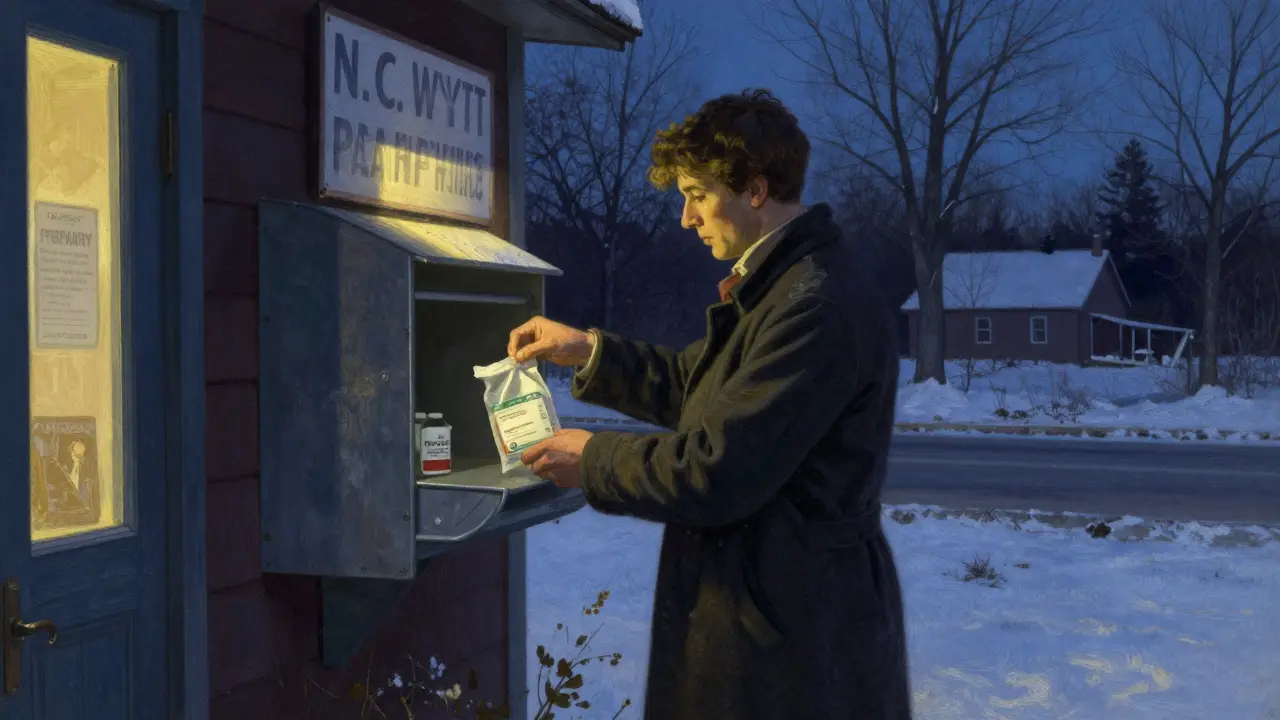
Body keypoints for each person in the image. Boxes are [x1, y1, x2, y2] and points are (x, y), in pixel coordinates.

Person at [509, 89, 911, 720]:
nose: (686, 218)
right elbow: (700, 389)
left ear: (755, 190)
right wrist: (589, 352)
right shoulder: (785, 283)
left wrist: (593, 459)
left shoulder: (812, 305)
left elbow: (717, 470)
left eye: (697, 194)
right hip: (777, 608)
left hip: (789, 636)